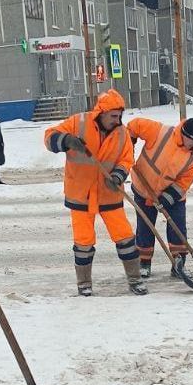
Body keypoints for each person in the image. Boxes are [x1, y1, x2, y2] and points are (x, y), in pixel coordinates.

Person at [44, 89, 145, 296]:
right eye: (113, 116)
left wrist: (117, 176)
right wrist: (65, 141)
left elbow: (126, 160)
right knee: (83, 242)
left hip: (110, 195)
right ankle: (84, 284)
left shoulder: (123, 134)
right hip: (80, 194)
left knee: (125, 237)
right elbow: (49, 137)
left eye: (120, 116)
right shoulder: (78, 122)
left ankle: (135, 279)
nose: (117, 120)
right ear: (101, 113)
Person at [127, 116, 193, 278]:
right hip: (143, 188)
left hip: (173, 196)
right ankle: (144, 263)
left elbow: (183, 183)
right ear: (182, 132)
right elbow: (134, 126)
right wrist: (129, 143)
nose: (191, 144)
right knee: (145, 227)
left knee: (178, 228)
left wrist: (166, 199)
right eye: (188, 139)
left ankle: (179, 263)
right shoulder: (160, 132)